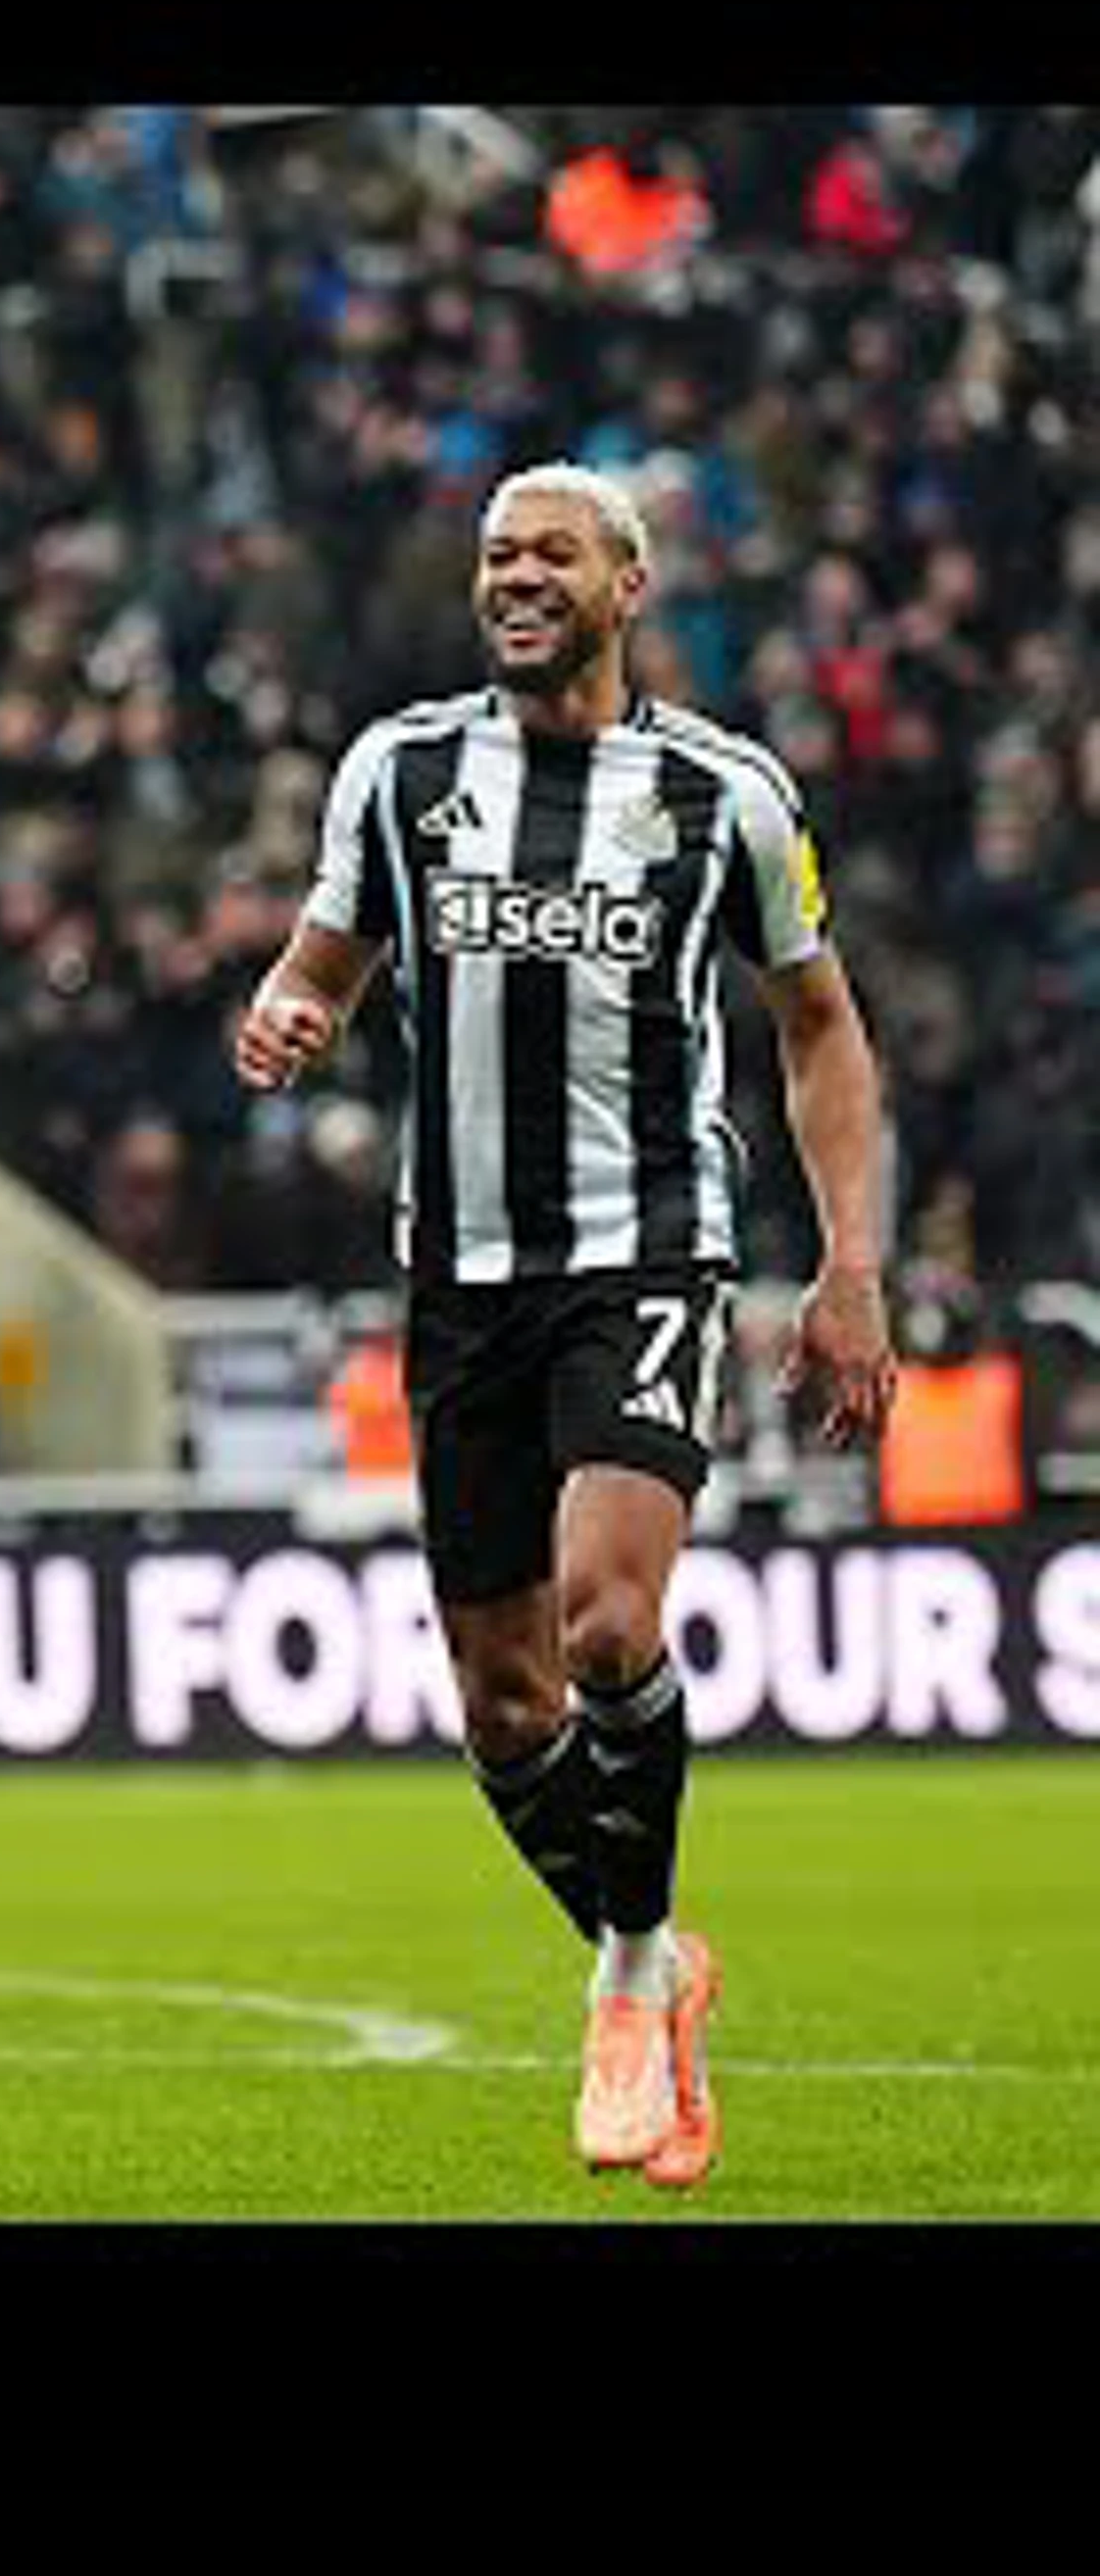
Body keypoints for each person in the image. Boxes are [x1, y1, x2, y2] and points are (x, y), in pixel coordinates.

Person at [234, 458, 898, 2193]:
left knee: (608, 1621)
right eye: (496, 554)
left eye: (553, 554)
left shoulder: (722, 795)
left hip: (646, 1254)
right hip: (460, 1278)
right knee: (505, 1706)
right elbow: (322, 963)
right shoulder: (399, 772)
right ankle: (660, 1967)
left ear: (628, 587)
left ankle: (626, 1974)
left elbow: (820, 1026)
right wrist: (288, 1013)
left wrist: (852, 1267)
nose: (516, 577)